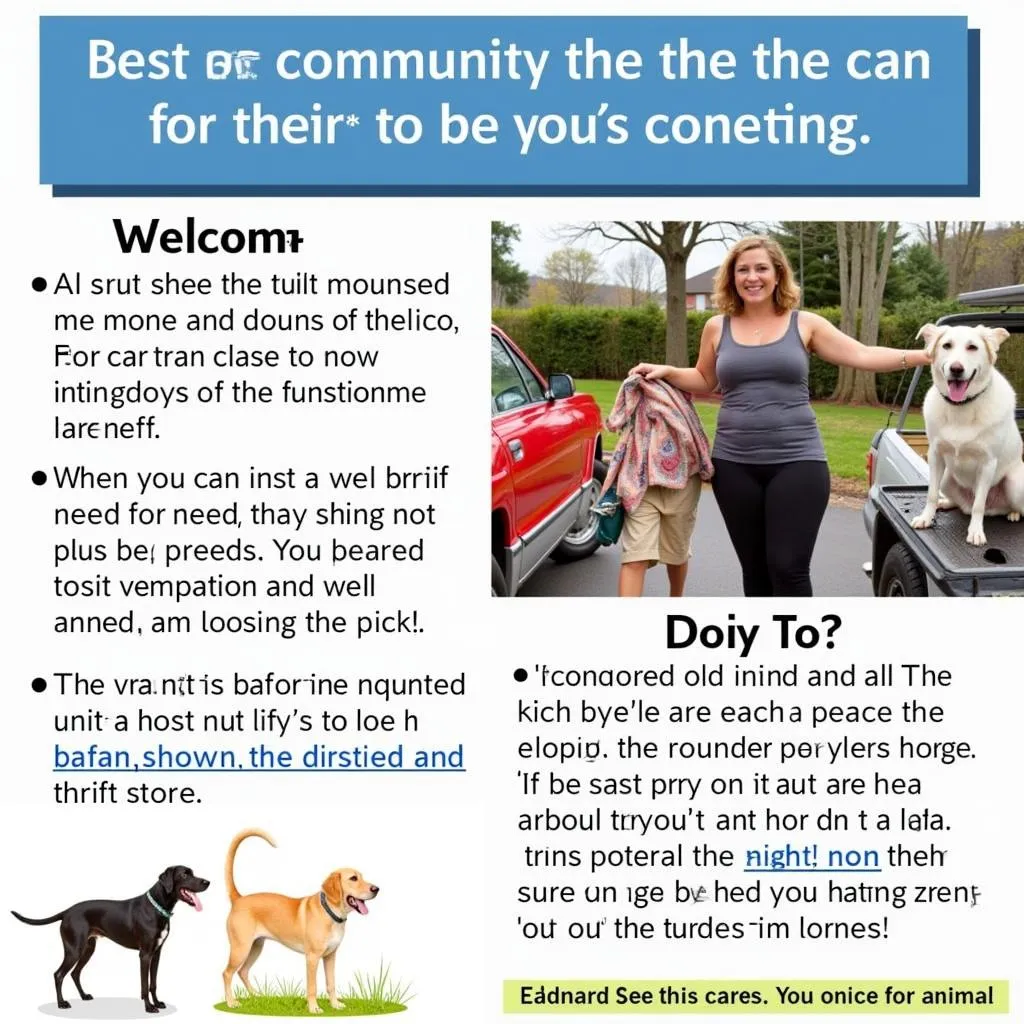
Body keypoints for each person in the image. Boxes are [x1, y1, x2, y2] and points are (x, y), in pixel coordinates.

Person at [630, 235, 930, 597]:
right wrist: (667, 371)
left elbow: (863, 355)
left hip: (798, 462)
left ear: (777, 275)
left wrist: (924, 356)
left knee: (788, 568)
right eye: (743, 270)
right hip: (733, 464)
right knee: (755, 573)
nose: (752, 277)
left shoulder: (805, 324)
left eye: (761, 269)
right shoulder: (716, 327)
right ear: (731, 277)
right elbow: (706, 378)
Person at [601, 375, 714, 597]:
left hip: (682, 484)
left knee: (677, 553)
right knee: (634, 557)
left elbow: (706, 376)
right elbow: (618, 421)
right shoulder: (635, 400)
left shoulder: (682, 403)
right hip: (639, 484)